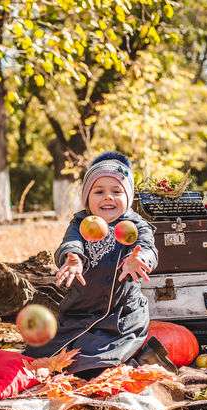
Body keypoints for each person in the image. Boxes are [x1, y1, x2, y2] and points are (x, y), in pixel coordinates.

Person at [23, 151, 158, 376]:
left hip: (120, 315)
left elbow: (147, 247)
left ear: (129, 197)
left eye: (117, 192)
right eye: (99, 191)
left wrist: (139, 259)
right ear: (87, 198)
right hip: (80, 311)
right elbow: (71, 243)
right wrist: (73, 258)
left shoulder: (136, 226)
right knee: (38, 356)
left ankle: (121, 363)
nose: (108, 197)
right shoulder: (80, 224)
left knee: (95, 363)